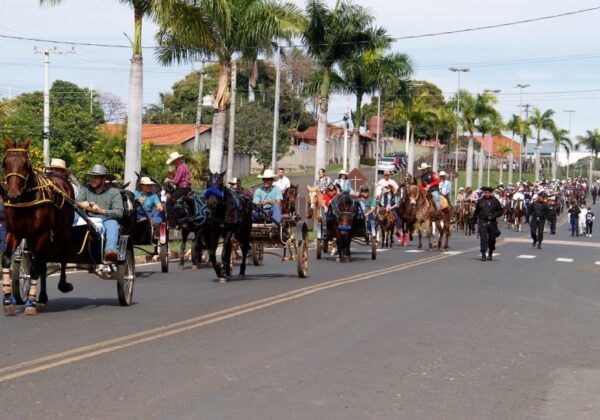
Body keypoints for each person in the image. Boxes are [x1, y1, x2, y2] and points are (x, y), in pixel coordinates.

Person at [76, 164, 124, 262]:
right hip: (86, 218)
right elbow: (75, 202)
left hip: (106, 219)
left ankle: (110, 251)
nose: (92, 180)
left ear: (103, 179)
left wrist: (100, 210)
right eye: (91, 177)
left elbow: (119, 212)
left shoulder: (114, 192)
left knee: (112, 223)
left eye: (96, 178)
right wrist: (81, 204)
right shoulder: (85, 188)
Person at [471, 186, 503, 261]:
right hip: (483, 221)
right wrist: (473, 222)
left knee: (492, 238)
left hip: (492, 222)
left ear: (490, 193)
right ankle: (483, 254)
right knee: (483, 238)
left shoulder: (495, 201)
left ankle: (490, 253)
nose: (487, 194)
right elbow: (476, 212)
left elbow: (500, 211)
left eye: (488, 193)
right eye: (485, 192)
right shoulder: (480, 201)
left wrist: (494, 216)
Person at [164, 151, 192, 228]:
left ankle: (172, 223)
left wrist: (168, 180)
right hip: (186, 188)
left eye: (173, 161)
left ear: (176, 160)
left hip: (183, 188)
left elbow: (176, 181)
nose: (173, 163)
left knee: (169, 201)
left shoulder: (180, 167)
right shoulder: (184, 166)